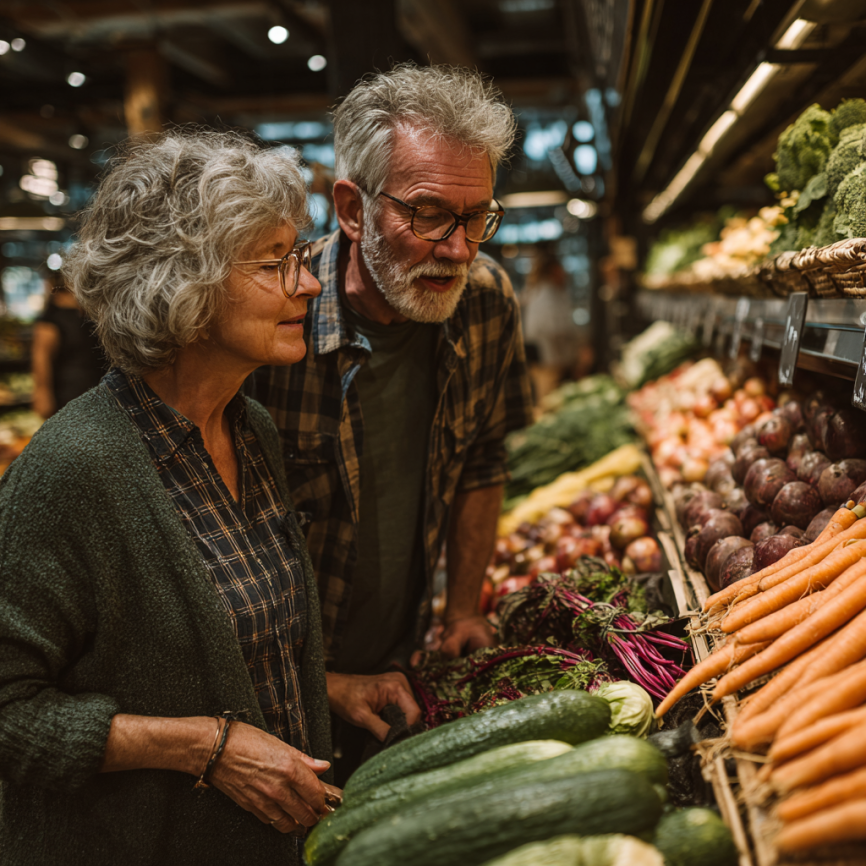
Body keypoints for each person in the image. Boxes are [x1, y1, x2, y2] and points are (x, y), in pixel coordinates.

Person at [0, 128, 417, 866]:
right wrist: (205, 747)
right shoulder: (75, 470)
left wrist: (325, 687)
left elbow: (200, 648)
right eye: (276, 263)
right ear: (181, 284)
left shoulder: (249, 427)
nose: (311, 283)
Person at [258, 64, 535, 773]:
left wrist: (464, 609)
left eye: (477, 218)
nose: (459, 249)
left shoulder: (487, 302)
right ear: (352, 210)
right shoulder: (269, 322)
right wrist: (313, 683)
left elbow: (483, 458)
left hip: (404, 671)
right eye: (429, 213)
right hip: (270, 699)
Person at [31, 272, 107, 418]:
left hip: (95, 387)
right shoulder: (51, 317)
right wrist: (42, 392)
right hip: (67, 391)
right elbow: (41, 356)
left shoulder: (87, 311)